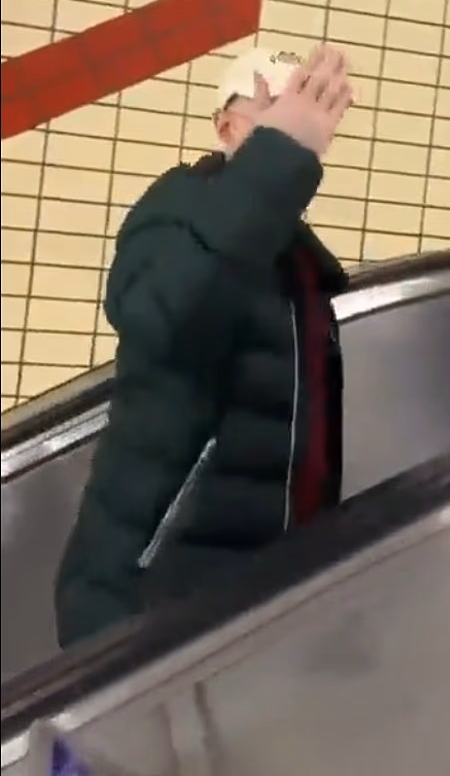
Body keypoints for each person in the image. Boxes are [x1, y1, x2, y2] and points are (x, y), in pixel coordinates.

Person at [55, 44, 353, 647]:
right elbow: (163, 313)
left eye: (301, 104)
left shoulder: (292, 252)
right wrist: (279, 159)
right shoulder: (180, 205)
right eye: (272, 107)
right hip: (151, 590)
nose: (292, 122)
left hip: (254, 590)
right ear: (226, 127)